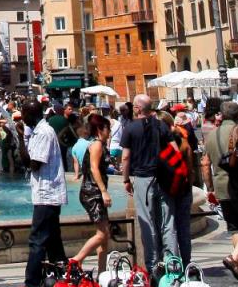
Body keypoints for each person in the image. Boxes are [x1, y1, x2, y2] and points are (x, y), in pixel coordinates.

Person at [9, 101, 67, 287]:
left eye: (24, 114)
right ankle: (64, 278)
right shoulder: (37, 130)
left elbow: (32, 164)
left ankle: (32, 285)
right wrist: (23, 135)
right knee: (53, 242)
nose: (21, 118)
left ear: (32, 114)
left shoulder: (43, 133)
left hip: (47, 194)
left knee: (37, 240)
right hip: (46, 194)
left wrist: (20, 139)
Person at [120, 92, 177, 273]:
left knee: (148, 221)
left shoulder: (130, 128)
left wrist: (126, 179)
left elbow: (126, 157)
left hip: (144, 178)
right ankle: (172, 262)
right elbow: (175, 151)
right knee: (168, 221)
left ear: (137, 108)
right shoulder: (161, 125)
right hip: (164, 178)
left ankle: (153, 266)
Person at [69, 113, 112, 274]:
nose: (110, 131)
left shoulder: (99, 144)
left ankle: (102, 274)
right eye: (108, 128)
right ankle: (76, 260)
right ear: (100, 129)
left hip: (94, 192)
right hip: (92, 193)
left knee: (104, 237)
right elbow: (94, 168)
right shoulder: (96, 145)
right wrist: (104, 191)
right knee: (102, 234)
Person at [205, 98, 238, 278]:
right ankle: (234, 257)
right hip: (236, 185)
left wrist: (209, 187)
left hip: (221, 186)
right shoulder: (237, 131)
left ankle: (236, 262)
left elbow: (204, 164)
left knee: (233, 227)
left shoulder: (211, 135)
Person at [170, 113, 199, 267]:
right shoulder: (186, 145)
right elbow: (191, 170)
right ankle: (187, 262)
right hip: (184, 189)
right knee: (184, 229)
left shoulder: (165, 148)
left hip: (169, 191)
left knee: (170, 228)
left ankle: (173, 264)